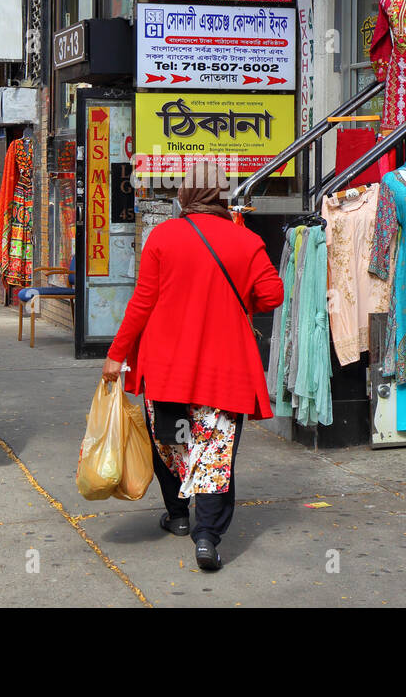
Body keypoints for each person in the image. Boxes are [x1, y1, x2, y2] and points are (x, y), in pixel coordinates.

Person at [100, 161, 283, 571]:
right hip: (225, 370)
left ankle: (179, 516)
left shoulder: (163, 237)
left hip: (167, 368)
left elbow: (142, 303)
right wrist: (237, 305)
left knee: (171, 444)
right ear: (221, 196)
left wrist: (116, 354)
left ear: (183, 195)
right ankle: (207, 537)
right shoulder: (246, 240)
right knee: (214, 452)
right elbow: (272, 295)